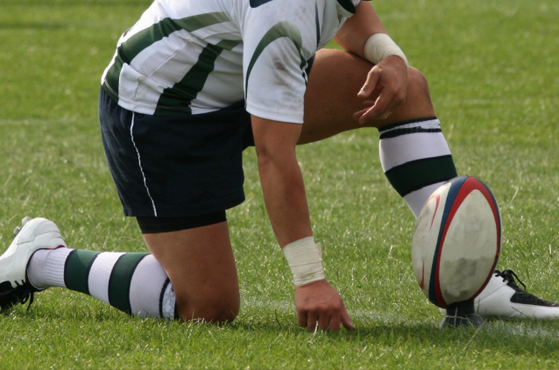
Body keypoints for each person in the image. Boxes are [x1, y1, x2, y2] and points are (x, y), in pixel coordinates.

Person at [1, 0, 557, 330]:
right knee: (207, 306)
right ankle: (43, 259)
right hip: (159, 112)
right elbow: (274, 153)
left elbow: (349, 6)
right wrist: (309, 279)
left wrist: (388, 54)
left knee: (404, 87)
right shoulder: (280, 7)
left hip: (231, 81)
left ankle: (469, 281)